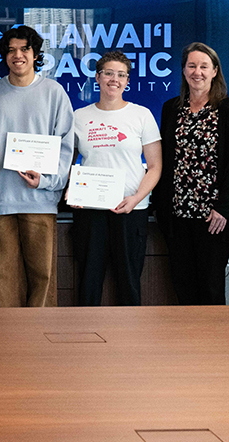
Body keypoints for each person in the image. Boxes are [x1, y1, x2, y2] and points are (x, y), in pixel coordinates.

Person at [0, 26, 74, 308]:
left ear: (35, 54)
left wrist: (46, 181)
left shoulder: (54, 92)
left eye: (24, 49)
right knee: (3, 276)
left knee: (42, 278)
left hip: (40, 201)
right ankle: (9, 340)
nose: (17, 55)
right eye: (11, 50)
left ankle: (39, 341)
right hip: (0, 199)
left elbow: (66, 146)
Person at [154, 43, 229, 305]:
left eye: (204, 66)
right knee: (182, 284)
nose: (198, 72)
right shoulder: (171, 108)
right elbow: (166, 159)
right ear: (183, 71)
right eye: (192, 66)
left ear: (215, 71)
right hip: (177, 215)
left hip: (213, 218)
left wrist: (223, 209)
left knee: (211, 286)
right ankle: (187, 344)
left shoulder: (228, 110)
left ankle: (215, 344)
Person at [71, 50, 161, 306]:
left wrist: (135, 199)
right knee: (88, 281)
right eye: (109, 73)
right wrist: (72, 191)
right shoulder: (79, 117)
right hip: (90, 210)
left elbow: (154, 166)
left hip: (131, 210)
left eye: (121, 75)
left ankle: (131, 343)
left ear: (128, 81)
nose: (115, 79)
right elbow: (67, 162)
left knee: (129, 281)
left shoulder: (141, 115)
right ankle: (85, 338)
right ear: (97, 77)